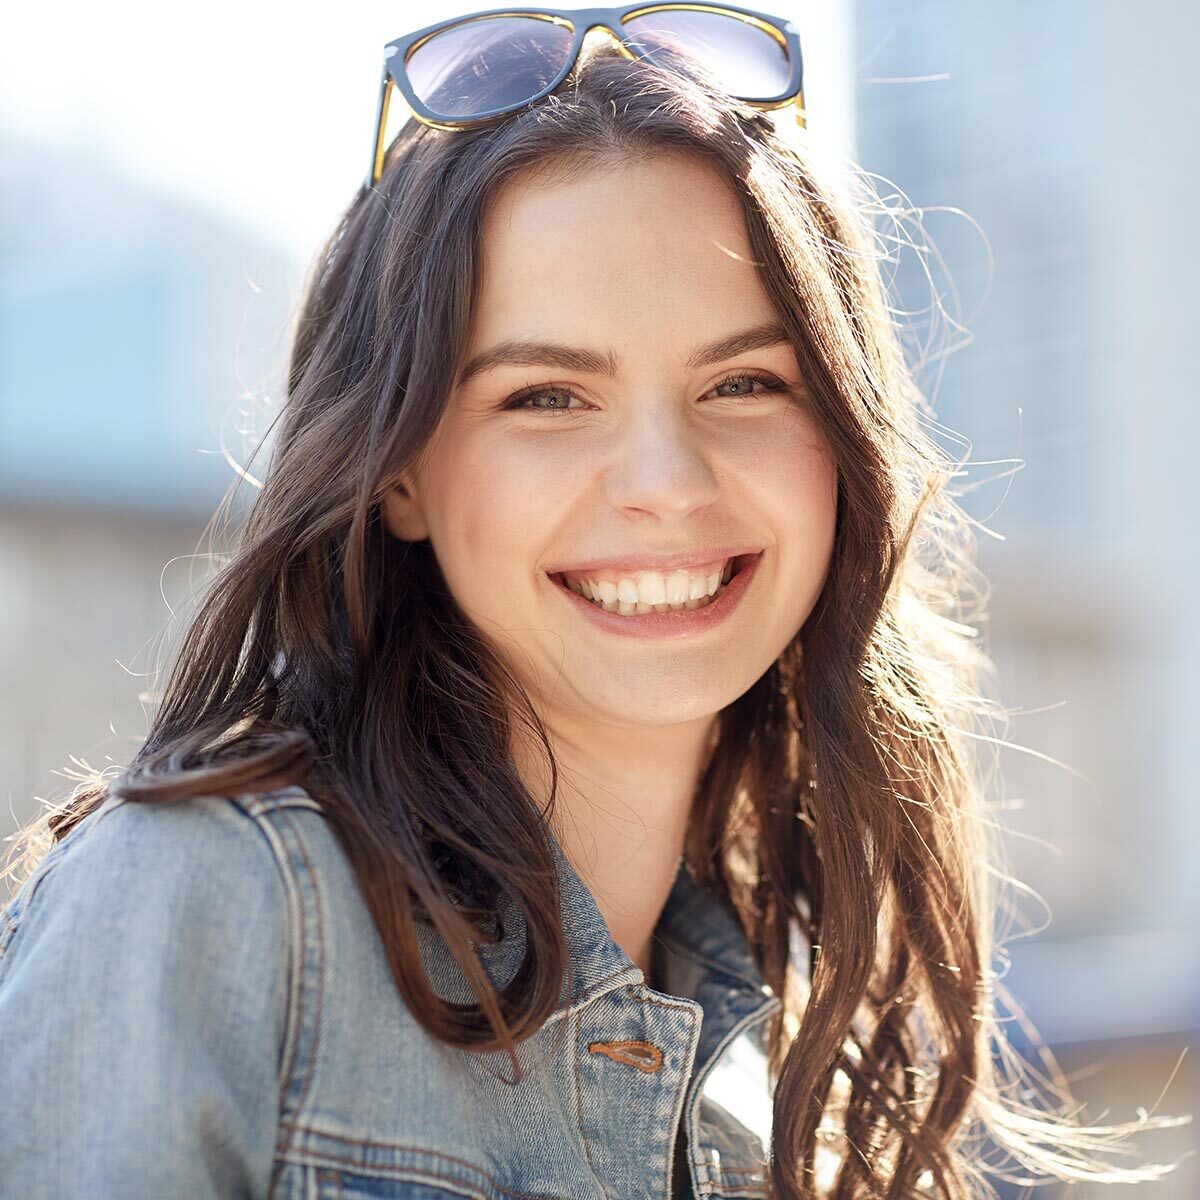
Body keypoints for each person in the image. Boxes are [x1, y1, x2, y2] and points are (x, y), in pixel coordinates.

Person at [0, 7, 1184, 1199]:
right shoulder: (211, 906)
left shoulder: (766, 1047)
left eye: (744, 382)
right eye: (548, 398)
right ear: (398, 469)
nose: (667, 486)